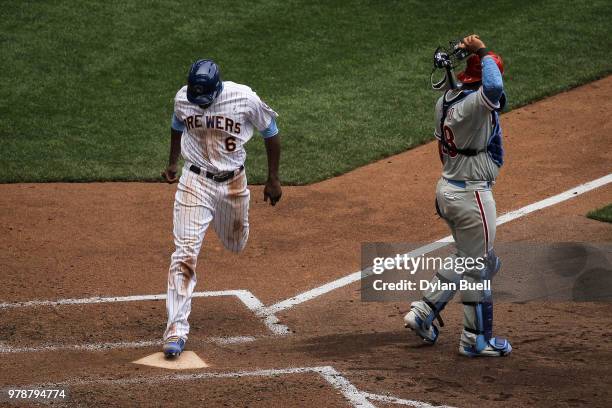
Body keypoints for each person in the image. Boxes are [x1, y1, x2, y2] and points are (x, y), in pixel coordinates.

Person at [161, 59, 282, 357]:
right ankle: (176, 330)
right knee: (185, 252)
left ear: (218, 89)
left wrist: (273, 179)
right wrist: (173, 162)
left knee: (235, 243)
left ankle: (218, 219)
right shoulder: (182, 98)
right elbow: (177, 126)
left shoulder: (244, 98)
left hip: (233, 184)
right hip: (195, 182)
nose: (199, 104)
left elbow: (271, 132)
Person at [404, 35, 512, 357]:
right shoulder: (476, 104)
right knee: (479, 266)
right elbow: (492, 90)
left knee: (471, 258)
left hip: (449, 189)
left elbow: (496, 96)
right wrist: (481, 51)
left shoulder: (445, 102)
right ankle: (475, 339)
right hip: (471, 196)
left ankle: (423, 312)